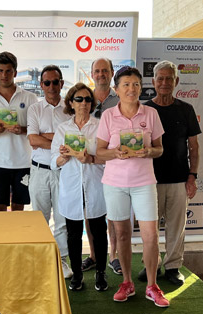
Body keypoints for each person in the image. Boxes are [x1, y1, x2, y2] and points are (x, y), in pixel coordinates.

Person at [96, 66, 169, 307]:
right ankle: (126, 282)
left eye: (135, 84)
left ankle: (152, 285)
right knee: (123, 234)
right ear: (116, 89)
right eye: (126, 84)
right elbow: (99, 152)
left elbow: (160, 149)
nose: (131, 89)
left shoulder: (150, 114)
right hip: (115, 184)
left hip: (144, 182)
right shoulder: (108, 116)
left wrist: (150, 151)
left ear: (141, 87)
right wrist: (115, 152)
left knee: (151, 236)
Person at [139, 60, 201, 286]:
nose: (164, 83)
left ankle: (173, 266)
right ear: (153, 82)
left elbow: (194, 147)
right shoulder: (143, 110)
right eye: (160, 79)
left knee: (176, 227)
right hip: (148, 181)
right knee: (150, 229)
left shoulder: (186, 109)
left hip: (178, 179)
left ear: (176, 81)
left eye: (169, 78)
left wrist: (192, 175)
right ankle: (151, 265)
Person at [51, 83, 108, 291]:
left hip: (95, 185)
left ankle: (101, 273)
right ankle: (77, 274)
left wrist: (90, 159)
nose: (84, 103)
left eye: (87, 99)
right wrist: (62, 157)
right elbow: (52, 161)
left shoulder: (101, 125)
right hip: (72, 187)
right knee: (73, 234)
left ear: (92, 103)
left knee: (99, 231)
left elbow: (108, 158)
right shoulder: (62, 129)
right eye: (79, 99)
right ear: (70, 103)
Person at [27, 65, 72, 278]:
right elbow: (32, 139)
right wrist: (58, 139)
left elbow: (72, 141)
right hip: (39, 172)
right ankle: (42, 260)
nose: (51, 86)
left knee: (62, 219)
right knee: (39, 218)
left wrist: (46, 136)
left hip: (64, 171)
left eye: (55, 82)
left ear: (62, 83)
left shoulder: (70, 109)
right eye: (47, 82)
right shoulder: (35, 109)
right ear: (41, 85)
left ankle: (62, 260)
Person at [0, 52, 37, 212]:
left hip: (23, 162)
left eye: (8, 71)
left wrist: (22, 130)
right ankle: (0, 237)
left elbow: (36, 130)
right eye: (0, 71)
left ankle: (18, 237)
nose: (4, 75)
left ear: (15, 73)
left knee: (19, 207)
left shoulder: (30, 98)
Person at [81, 58, 122, 276]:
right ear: (92, 74)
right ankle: (95, 255)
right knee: (91, 211)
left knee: (113, 212)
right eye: (97, 71)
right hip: (90, 164)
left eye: (104, 71)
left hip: (114, 164)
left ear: (112, 73)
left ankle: (113, 256)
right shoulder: (85, 98)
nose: (101, 74)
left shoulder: (120, 99)